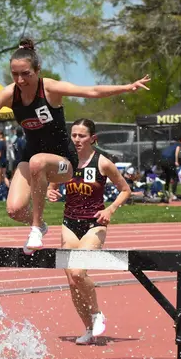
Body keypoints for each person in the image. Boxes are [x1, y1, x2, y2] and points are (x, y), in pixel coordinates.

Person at [0, 37, 150, 254]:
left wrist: (127, 88)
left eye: (26, 74)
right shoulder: (9, 94)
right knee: (14, 209)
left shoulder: (50, 89)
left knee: (39, 161)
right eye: (14, 74)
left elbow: (91, 91)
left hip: (64, 161)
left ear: (37, 70)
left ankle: (35, 228)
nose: (20, 80)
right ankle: (41, 225)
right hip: (31, 157)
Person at [47, 119, 131, 345]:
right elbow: (52, 186)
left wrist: (110, 209)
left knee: (77, 272)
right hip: (69, 224)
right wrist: (51, 192)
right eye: (73, 135)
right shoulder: (65, 163)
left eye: (81, 136)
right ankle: (88, 328)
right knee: (72, 283)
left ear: (93, 138)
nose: (76, 140)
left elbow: (125, 190)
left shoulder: (103, 163)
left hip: (94, 224)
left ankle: (96, 313)